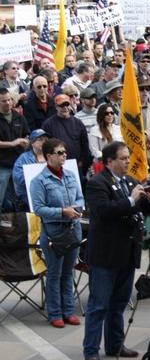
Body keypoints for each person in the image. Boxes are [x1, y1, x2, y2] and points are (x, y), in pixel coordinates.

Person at [83, 142, 150, 360]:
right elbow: (105, 211)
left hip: (127, 251)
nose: (128, 161)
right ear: (109, 161)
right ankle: (91, 351)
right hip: (106, 254)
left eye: (128, 157)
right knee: (98, 306)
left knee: (119, 304)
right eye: (123, 158)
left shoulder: (130, 181)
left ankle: (115, 345)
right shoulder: (97, 183)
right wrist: (132, 199)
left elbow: (146, 209)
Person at [30, 138, 84, 328]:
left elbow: (80, 197)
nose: (64, 156)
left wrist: (77, 209)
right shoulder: (39, 181)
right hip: (54, 233)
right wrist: (62, 211)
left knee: (68, 273)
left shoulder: (70, 175)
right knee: (55, 273)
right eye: (59, 153)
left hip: (72, 229)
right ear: (48, 156)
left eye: (65, 152)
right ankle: (55, 313)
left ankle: (68, 311)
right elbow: (38, 209)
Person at [0, 87, 30, 211]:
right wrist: (13, 143)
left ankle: (19, 223)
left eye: (9, 100)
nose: (7, 103)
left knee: (20, 196)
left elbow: (26, 134)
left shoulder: (19, 117)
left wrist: (26, 141)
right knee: (1, 198)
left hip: (19, 163)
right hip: (2, 164)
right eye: (3, 101)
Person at [13, 129, 48, 209]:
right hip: (28, 198)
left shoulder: (52, 156)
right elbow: (18, 178)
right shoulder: (23, 158)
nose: (44, 142)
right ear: (32, 142)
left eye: (46, 140)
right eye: (40, 140)